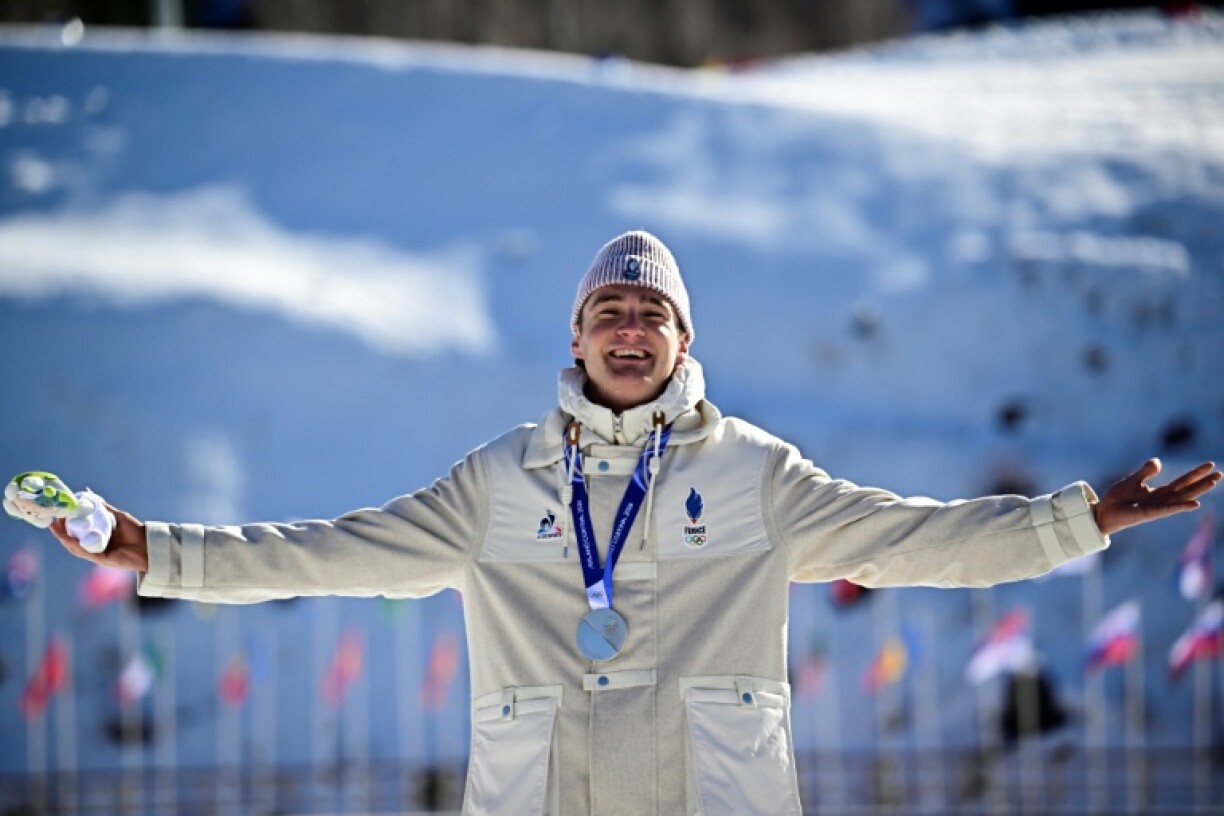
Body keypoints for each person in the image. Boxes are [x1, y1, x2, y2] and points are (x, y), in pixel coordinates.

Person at [50, 231, 1220, 815]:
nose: (628, 329)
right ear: (575, 337)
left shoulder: (757, 472)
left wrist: (1082, 521)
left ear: (682, 342)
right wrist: (158, 550)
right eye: (608, 309)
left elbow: (914, 540)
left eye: (650, 313)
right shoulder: (498, 481)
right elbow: (331, 551)